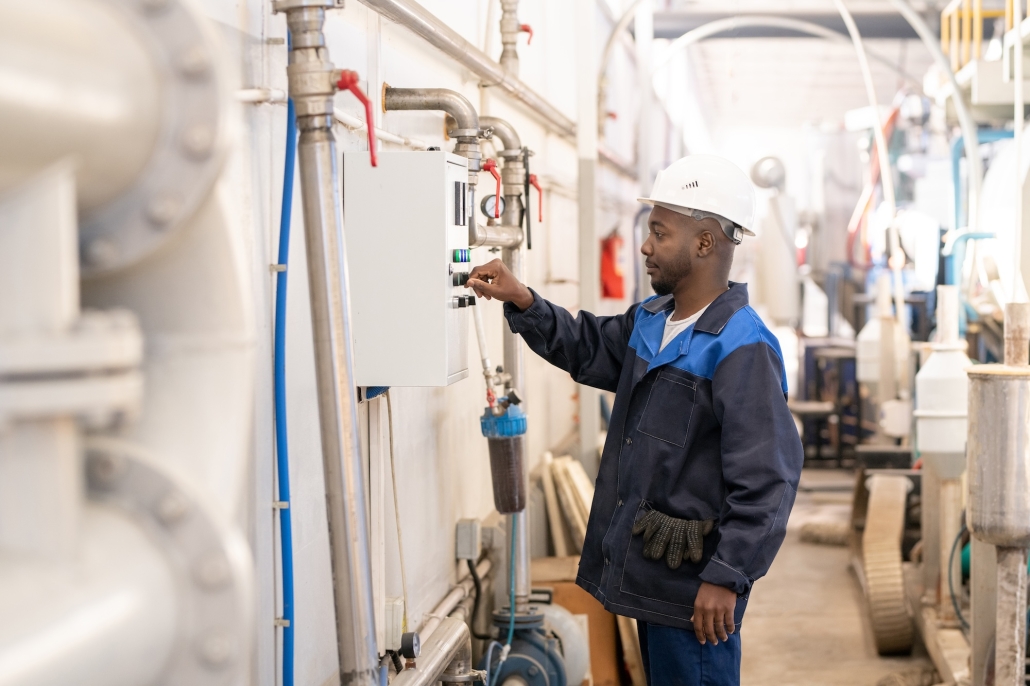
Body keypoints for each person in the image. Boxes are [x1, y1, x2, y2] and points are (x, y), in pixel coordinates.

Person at [465, 154, 804, 686]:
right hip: (649, 575)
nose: (645, 246)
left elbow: (769, 478)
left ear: (705, 242)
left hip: (695, 590)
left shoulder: (742, 347)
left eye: (659, 233)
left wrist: (728, 575)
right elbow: (585, 345)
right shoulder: (651, 320)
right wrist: (523, 300)